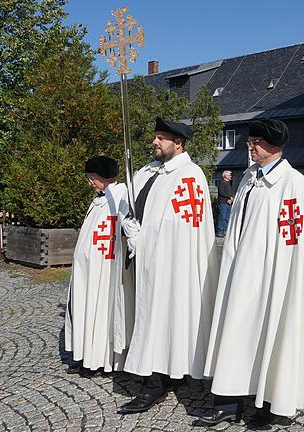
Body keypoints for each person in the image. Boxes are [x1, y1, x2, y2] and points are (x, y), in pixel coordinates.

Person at [198, 119, 304, 427]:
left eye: (256, 141)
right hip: (241, 271)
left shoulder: (292, 182)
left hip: (270, 277)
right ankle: (228, 400)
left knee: (271, 336)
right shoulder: (249, 177)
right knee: (235, 332)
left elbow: (294, 240)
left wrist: (277, 276)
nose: (249, 146)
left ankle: (271, 403)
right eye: (250, 140)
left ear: (274, 146)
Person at [118, 118, 219, 414]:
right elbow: (130, 208)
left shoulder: (189, 175)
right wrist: (131, 230)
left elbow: (185, 226)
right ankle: (162, 376)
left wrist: (146, 239)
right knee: (151, 319)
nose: (155, 142)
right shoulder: (146, 172)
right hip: (146, 264)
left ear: (179, 143)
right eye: (155, 137)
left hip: (173, 265)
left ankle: (156, 384)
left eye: (161, 138)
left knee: (166, 320)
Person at [65, 155, 132, 377]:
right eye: (89, 178)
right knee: (87, 309)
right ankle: (87, 355)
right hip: (90, 268)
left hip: (106, 267)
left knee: (102, 311)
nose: (90, 182)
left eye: (93, 178)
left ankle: (103, 360)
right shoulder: (100, 200)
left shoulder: (119, 197)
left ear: (106, 177)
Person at [216, 170, 234, 237]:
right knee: (222, 217)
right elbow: (221, 192)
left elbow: (230, 193)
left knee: (227, 218)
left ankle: (224, 231)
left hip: (228, 203)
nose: (231, 176)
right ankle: (220, 231)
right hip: (223, 203)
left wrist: (231, 198)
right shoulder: (221, 183)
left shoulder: (228, 183)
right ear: (225, 176)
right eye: (230, 174)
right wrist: (229, 197)